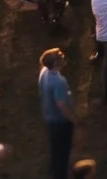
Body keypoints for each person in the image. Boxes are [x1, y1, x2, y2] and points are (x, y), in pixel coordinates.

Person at [41, 48, 77, 179]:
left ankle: (54, 170)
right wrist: (72, 119)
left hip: (49, 117)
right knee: (62, 152)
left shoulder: (44, 72)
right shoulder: (59, 81)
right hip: (60, 121)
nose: (63, 57)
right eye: (61, 56)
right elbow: (61, 104)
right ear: (56, 62)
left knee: (55, 149)